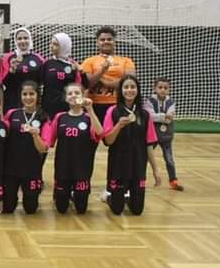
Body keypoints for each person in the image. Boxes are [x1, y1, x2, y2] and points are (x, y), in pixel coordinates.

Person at [103, 75, 162, 215]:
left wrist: (155, 170)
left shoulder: (145, 115)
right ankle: (110, 197)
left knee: (137, 211)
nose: (129, 90)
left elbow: (149, 145)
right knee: (117, 210)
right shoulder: (112, 111)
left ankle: (129, 197)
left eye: (133, 87)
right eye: (126, 87)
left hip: (138, 165)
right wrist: (118, 126)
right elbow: (108, 141)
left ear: (138, 90)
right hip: (118, 165)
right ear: (120, 90)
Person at [42, 83, 103, 214]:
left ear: (83, 96)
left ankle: (77, 194)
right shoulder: (60, 117)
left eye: (77, 93)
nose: (73, 96)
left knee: (81, 209)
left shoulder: (88, 118)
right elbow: (49, 142)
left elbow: (100, 133)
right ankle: (64, 194)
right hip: (63, 168)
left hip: (82, 169)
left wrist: (90, 110)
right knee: (61, 209)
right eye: (70, 93)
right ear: (65, 98)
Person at [2, 81, 48, 214]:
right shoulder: (11, 114)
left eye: (31, 94)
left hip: (31, 169)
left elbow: (43, 149)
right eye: (25, 94)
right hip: (11, 168)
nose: (28, 97)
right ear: (20, 96)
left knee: (30, 209)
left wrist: (35, 135)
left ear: (37, 96)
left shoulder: (44, 117)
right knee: (8, 207)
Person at [81, 26, 136, 133]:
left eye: (109, 39)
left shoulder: (126, 61)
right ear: (97, 42)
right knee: (93, 137)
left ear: (114, 41)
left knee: (118, 138)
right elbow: (88, 83)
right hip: (94, 105)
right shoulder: (89, 61)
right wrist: (102, 69)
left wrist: (104, 82)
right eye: (102, 39)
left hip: (119, 104)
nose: (106, 41)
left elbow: (130, 81)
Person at [145, 78, 184, 191]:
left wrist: (160, 117)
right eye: (160, 87)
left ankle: (173, 180)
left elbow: (169, 118)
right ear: (154, 88)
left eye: (166, 88)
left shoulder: (171, 102)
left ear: (169, 90)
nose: (163, 90)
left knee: (169, 159)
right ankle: (139, 179)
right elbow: (150, 116)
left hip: (166, 135)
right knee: (145, 157)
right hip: (152, 135)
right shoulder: (149, 101)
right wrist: (164, 116)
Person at [40, 32, 83, 118]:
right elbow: (39, 82)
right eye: (51, 43)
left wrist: (81, 72)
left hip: (66, 108)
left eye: (55, 44)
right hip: (48, 108)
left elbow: (81, 86)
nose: (51, 46)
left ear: (64, 46)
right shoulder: (47, 63)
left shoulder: (73, 65)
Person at [2, 27, 45, 110]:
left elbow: (42, 81)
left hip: (32, 101)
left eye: (25, 38)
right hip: (13, 101)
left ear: (30, 39)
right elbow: (4, 82)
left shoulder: (38, 58)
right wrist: (12, 70)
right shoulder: (8, 58)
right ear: (15, 41)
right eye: (19, 39)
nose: (22, 41)